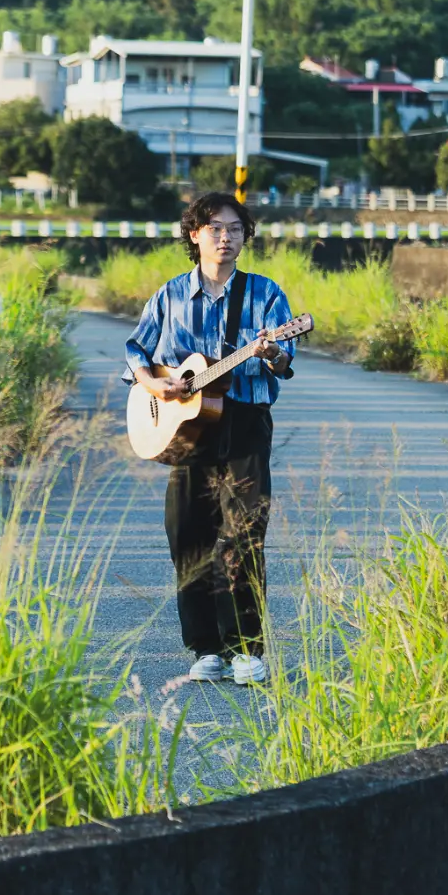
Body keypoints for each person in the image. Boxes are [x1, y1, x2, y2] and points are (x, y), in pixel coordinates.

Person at [123, 192, 296, 686]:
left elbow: (284, 361)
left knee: (243, 534)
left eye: (236, 229)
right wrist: (156, 383)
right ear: (194, 235)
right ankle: (205, 647)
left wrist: (272, 355)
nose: (226, 237)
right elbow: (136, 349)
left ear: (246, 237)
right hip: (185, 428)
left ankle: (245, 648)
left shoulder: (264, 294)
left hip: (244, 423)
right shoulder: (170, 295)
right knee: (188, 535)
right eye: (215, 228)